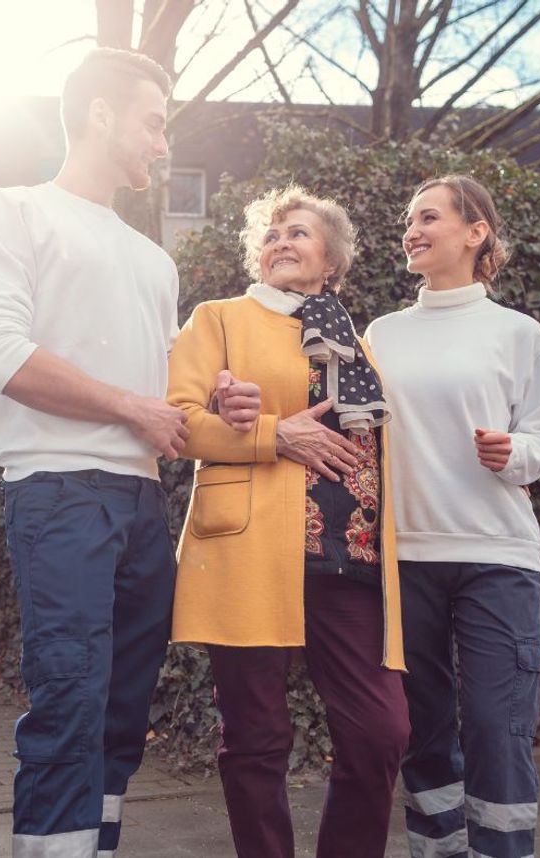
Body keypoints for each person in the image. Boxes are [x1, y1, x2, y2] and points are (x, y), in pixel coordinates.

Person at [0, 48, 257, 858]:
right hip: (56, 491)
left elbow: (164, 393)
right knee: (70, 698)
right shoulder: (12, 211)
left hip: (140, 503)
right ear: (98, 114)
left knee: (123, 709)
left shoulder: (154, 261)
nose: (163, 144)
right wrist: (132, 406)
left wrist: (212, 400)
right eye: (154, 123)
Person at [167, 186, 410, 858]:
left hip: (350, 560)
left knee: (380, 732)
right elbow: (178, 423)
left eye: (298, 233)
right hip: (249, 549)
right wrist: (272, 435)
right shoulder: (218, 319)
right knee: (257, 737)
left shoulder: (355, 342)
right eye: (271, 233)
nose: (280, 242)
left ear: (330, 261)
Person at [365, 175, 540, 858]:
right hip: (404, 557)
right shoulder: (380, 334)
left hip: (495, 556)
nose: (411, 230)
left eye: (428, 217)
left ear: (475, 232)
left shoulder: (517, 333)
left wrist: (514, 453)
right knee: (420, 728)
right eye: (408, 219)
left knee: (492, 724)